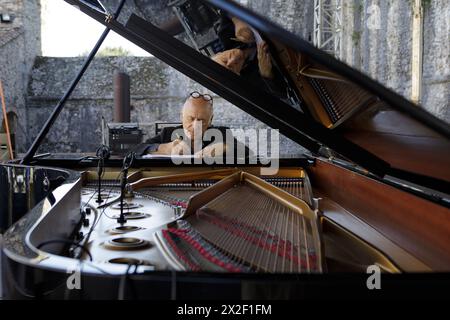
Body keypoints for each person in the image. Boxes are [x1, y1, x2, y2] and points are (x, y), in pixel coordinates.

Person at [135, 91, 247, 158]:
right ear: (181, 116)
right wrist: (164, 148)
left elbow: (247, 152)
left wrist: (224, 147)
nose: (195, 126)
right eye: (191, 118)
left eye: (202, 120)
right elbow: (134, 151)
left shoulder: (222, 134)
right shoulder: (168, 134)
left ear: (210, 120)